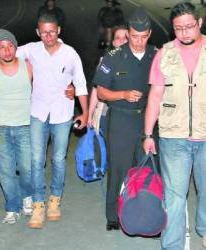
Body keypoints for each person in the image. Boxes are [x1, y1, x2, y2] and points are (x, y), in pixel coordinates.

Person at [143, 2, 206, 249]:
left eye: (189, 27)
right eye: (178, 28)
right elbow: (155, 97)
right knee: (174, 197)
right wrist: (148, 134)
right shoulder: (165, 54)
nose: (184, 33)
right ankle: (172, 245)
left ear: (199, 23)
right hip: (173, 137)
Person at [17, 14, 88, 229]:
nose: (49, 36)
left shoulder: (70, 54)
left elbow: (81, 83)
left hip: (62, 114)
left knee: (58, 159)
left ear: (59, 30)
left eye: (52, 31)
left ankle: (54, 200)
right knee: (37, 160)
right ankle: (39, 203)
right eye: (44, 32)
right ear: (38, 32)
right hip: (38, 112)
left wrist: (84, 112)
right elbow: (5, 51)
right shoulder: (31, 49)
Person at [92, 7, 157, 231]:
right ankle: (113, 215)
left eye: (143, 37)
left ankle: (145, 213)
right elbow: (101, 91)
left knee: (146, 167)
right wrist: (123, 95)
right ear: (128, 33)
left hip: (146, 121)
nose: (139, 42)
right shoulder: (114, 57)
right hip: (120, 120)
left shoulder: (155, 55)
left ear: (149, 34)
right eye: (135, 36)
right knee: (118, 168)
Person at [0, 29, 33, 224]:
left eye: (10, 46)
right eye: (2, 47)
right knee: (6, 170)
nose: (6, 51)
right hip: (1, 127)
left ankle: (27, 197)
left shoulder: (28, 67)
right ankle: (12, 207)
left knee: (26, 167)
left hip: (24, 125)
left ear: (15, 47)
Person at [88, 25, 128, 134]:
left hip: (129, 117)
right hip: (106, 114)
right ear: (114, 43)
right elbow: (96, 90)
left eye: (125, 38)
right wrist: (90, 114)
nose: (122, 41)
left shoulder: (139, 63)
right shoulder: (104, 61)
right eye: (118, 38)